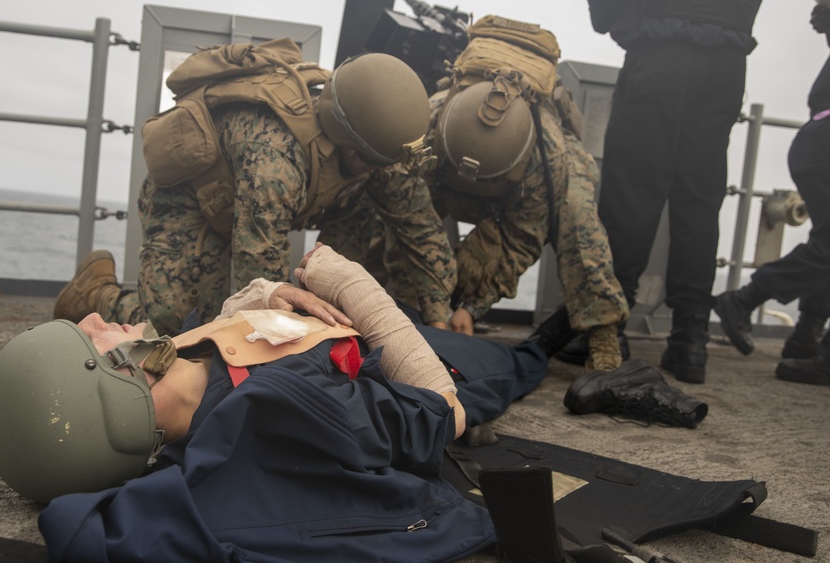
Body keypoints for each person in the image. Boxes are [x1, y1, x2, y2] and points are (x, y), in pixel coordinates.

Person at [0, 245, 703, 562]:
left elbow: (13, 404)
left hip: (312, 331)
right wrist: (350, 285)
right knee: (502, 369)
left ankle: (525, 338)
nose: (102, 327)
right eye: (95, 337)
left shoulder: (170, 360)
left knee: (490, 351)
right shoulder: (289, 409)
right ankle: (544, 340)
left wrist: (261, 296)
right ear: (120, 388)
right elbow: (437, 413)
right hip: (395, 359)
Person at [53, 38, 455, 336]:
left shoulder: (378, 147)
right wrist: (281, 331)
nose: (375, 171)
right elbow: (258, 269)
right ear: (344, 139)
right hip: (189, 197)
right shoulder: (276, 156)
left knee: (221, 322)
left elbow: (420, 226)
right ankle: (95, 293)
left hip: (251, 206)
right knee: (177, 329)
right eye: (368, 162)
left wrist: (439, 319)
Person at [326, 15, 630, 372]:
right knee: (383, 213)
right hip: (438, 168)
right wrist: (429, 306)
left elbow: (518, 243)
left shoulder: (546, 164)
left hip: (530, 176)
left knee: (581, 227)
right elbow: (409, 223)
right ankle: (381, 307)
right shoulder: (424, 126)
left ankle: (603, 334)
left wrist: (471, 307)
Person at [583, 0, 763, 384]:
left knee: (634, 191)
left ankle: (609, 327)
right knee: (700, 200)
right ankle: (689, 339)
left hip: (661, 51)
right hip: (727, 64)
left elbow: (604, 12)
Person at [714, 3, 830, 386]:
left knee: (827, 243)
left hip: (818, 140)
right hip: (823, 142)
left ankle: (805, 338)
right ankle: (748, 299)